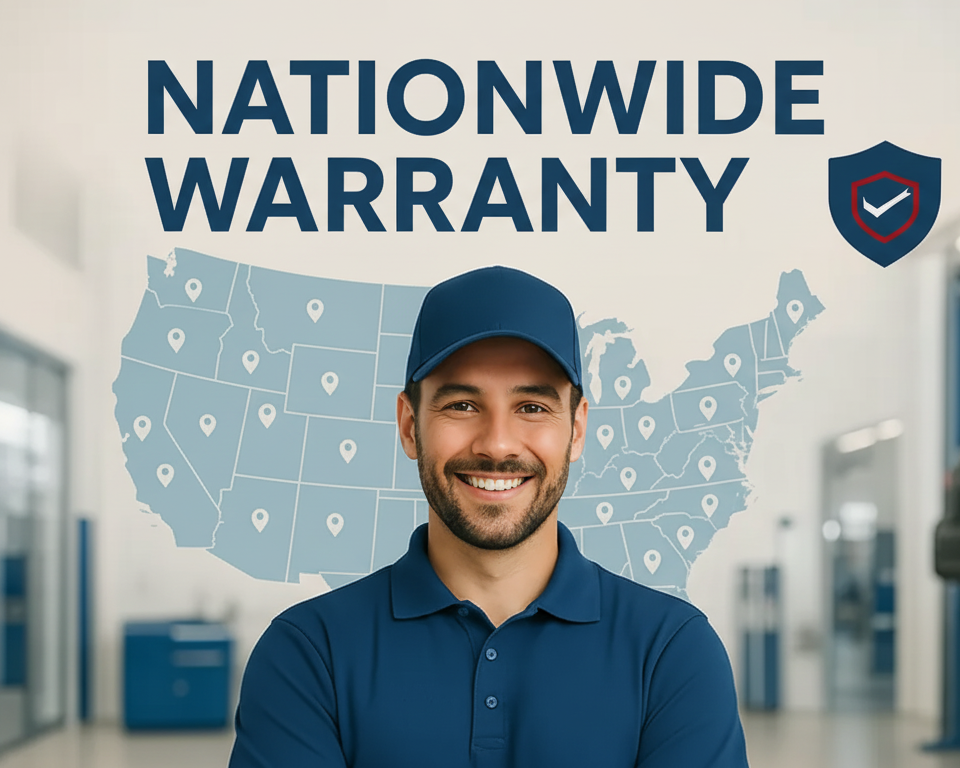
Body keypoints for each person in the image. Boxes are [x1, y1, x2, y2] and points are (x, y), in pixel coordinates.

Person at [228, 266, 750, 768]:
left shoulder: (671, 654)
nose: (497, 444)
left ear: (576, 429)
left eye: (532, 407)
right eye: (461, 405)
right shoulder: (308, 656)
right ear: (410, 426)